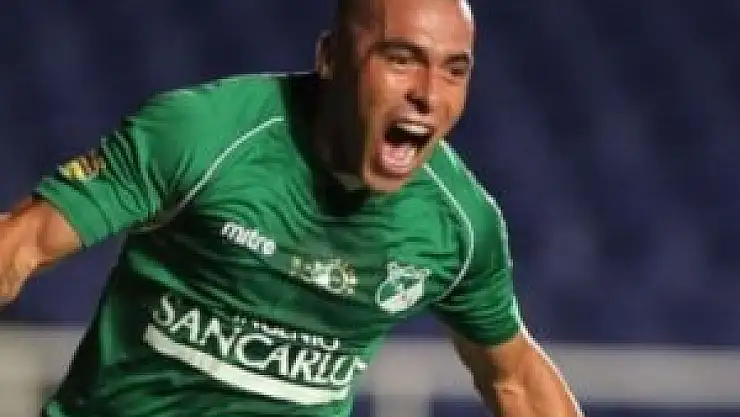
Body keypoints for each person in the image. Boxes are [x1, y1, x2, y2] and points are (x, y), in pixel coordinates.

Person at [0, 0, 584, 415]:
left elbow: (514, 378)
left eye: (454, 70)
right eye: (401, 59)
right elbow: (23, 244)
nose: (428, 94)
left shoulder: (458, 223)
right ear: (330, 58)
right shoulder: (204, 136)